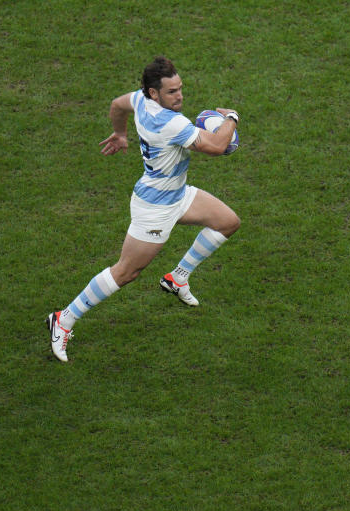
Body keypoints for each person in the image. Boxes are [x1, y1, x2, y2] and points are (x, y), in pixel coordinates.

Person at [46, 55, 241, 362]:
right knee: (127, 272)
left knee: (228, 223)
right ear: (155, 94)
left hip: (177, 193)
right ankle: (64, 319)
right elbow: (217, 147)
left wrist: (121, 133)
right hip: (155, 208)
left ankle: (177, 278)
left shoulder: (140, 100)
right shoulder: (171, 123)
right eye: (172, 92)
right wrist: (232, 118)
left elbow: (116, 105)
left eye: (180, 88)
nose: (180, 96)